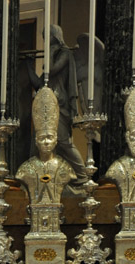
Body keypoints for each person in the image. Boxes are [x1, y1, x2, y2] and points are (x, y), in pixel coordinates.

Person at [26, 24, 87, 188]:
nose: (45, 40)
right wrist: (29, 66)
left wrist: (51, 53)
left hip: (60, 105)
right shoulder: (54, 55)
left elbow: (51, 70)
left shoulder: (65, 53)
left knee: (63, 142)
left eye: (47, 36)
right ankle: (36, 178)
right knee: (38, 142)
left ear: (55, 36)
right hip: (46, 105)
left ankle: (82, 176)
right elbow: (39, 84)